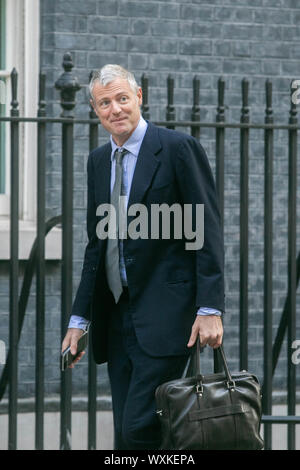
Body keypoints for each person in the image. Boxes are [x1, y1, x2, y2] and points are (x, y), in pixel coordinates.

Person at [61, 65, 225, 450]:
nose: (115, 109)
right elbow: (96, 246)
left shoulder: (176, 149)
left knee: (138, 429)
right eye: (105, 102)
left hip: (167, 317)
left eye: (121, 98)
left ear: (138, 97)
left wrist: (210, 307)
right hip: (118, 319)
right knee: (127, 432)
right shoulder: (99, 161)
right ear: (94, 108)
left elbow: (206, 230)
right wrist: (79, 319)